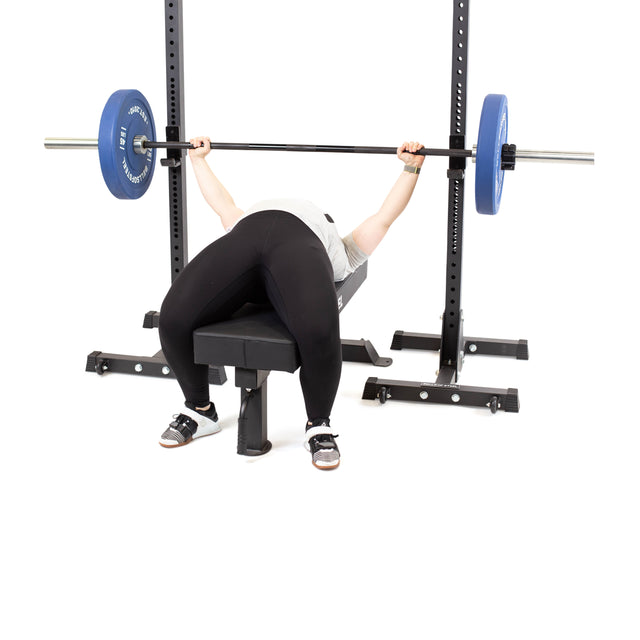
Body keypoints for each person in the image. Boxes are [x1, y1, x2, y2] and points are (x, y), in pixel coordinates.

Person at [157, 137, 425, 469]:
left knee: (318, 328)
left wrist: (411, 168)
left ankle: (318, 425)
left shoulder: (342, 252)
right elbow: (224, 205)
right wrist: (199, 159)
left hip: (300, 245)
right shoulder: (243, 218)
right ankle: (199, 411)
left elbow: (384, 217)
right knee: (172, 317)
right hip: (247, 232)